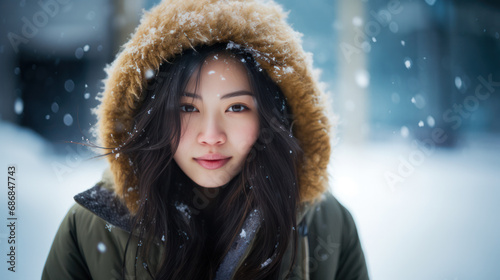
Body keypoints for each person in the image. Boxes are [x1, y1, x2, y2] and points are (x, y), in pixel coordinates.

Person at [42, 0, 369, 279]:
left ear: (272, 116)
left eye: (237, 107)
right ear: (153, 117)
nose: (211, 136)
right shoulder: (91, 228)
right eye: (187, 108)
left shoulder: (329, 224)